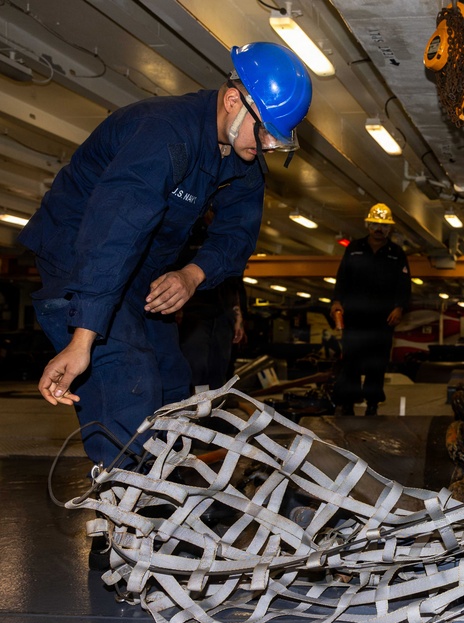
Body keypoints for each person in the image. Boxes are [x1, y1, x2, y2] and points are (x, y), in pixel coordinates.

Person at [18, 42, 312, 468]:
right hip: (81, 258)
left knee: (172, 378)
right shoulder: (163, 132)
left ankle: (165, 486)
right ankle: (122, 497)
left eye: (277, 139)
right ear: (234, 101)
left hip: (141, 270)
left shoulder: (241, 157)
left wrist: (192, 274)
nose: (268, 145)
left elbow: (237, 234)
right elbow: (115, 231)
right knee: (127, 376)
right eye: (265, 131)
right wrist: (82, 340)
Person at [329, 203, 411, 416]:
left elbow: (404, 285)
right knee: (351, 361)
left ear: (389, 229)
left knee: (378, 362)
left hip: (383, 319)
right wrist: (337, 301)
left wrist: (400, 307)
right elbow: (342, 277)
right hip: (354, 317)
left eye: (384, 226)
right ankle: (348, 403)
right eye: (375, 224)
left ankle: (372, 403)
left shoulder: (396, 254)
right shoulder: (354, 249)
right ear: (368, 225)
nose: (379, 229)